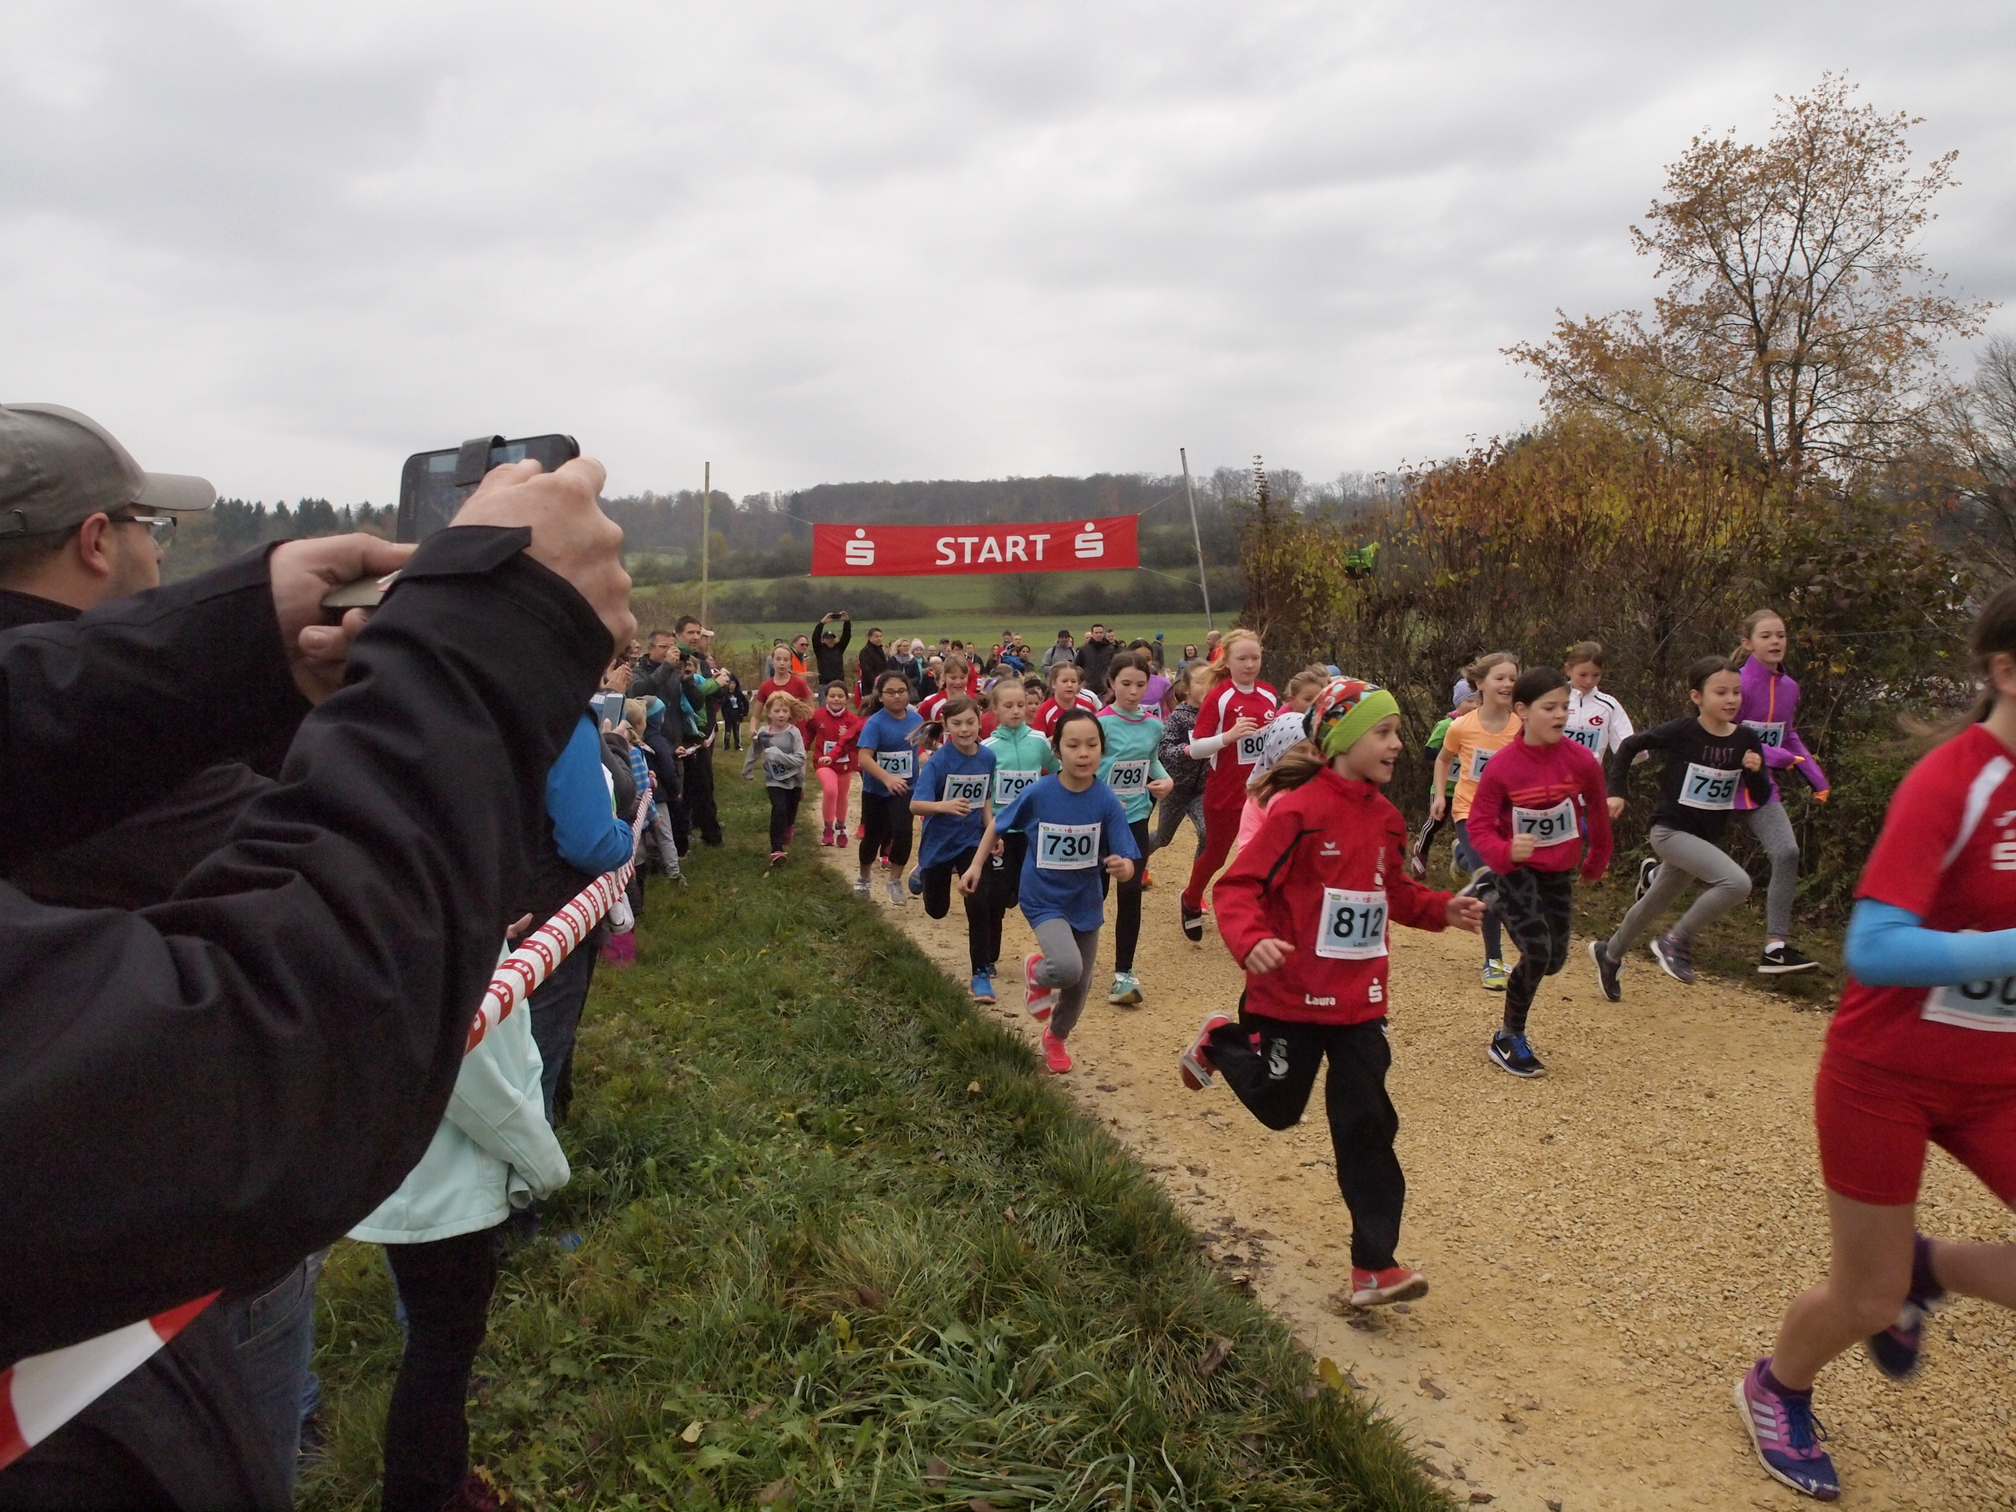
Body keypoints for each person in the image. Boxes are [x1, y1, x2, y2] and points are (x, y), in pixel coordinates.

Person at [0, 437, 629, 1498]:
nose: (163, 553)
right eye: (154, 529)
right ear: (98, 539)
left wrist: (241, 641)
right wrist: (482, 653)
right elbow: (266, 1044)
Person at [1733, 582, 2016, 1504]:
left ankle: (1935, 1267)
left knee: (1898, 1278)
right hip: (1884, 1077)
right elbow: (1875, 947)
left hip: (2000, 1079)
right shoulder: (1954, 782)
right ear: (2006, 671)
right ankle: (1777, 1387)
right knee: (1866, 1296)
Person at [1178, 677, 1484, 1309]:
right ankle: (1221, 1041)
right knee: (1279, 1109)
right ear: (1342, 739)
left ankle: (1374, 1265)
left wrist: (1440, 909)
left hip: (1359, 1004)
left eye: (1396, 732)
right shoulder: (1297, 811)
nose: (1397, 744)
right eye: (1384, 732)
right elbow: (1237, 887)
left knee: (1368, 1124)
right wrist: (1250, 940)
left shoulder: (1387, 818)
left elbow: (1392, 892)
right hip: (1287, 997)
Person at [350, 954, 569, 1512]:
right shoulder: (431, 934)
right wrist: (542, 1162)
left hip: (433, 1176)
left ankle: (446, 1479)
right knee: (441, 1346)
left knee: (447, 1338)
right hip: (437, 1187)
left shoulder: (425, 924)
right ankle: (427, 1496)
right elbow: (465, 1074)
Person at [961, 709, 1138, 1075]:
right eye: (1073, 745)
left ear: (1102, 749)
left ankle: (1056, 1037)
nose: (1083, 753)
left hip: (1085, 899)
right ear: (1056, 750)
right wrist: (976, 865)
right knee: (1068, 968)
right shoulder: (1040, 793)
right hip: (1042, 896)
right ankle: (1037, 971)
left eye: (1092, 745)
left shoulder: (1106, 800)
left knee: (1079, 984)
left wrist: (1125, 867)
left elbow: (1127, 857)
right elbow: (997, 824)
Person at [1591, 657, 1771, 998]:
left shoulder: (1746, 738)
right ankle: (1675, 940)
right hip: (1670, 831)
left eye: (1736, 692)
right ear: (1696, 696)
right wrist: (1616, 791)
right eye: (1721, 692)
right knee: (1737, 883)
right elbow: (1629, 746)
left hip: (1703, 838)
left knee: (1653, 903)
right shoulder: (1682, 732)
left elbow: (1759, 796)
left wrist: (1755, 771)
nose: (1731, 699)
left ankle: (1609, 953)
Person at [1464, 668, 1613, 1077]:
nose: (1560, 715)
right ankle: (1509, 1036)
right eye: (1549, 708)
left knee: (1554, 960)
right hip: (1515, 870)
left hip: (1558, 871)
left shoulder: (1581, 761)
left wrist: (1596, 861)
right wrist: (1505, 851)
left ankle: (1490, 895)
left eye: (1564, 707)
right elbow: (1479, 826)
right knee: (1537, 952)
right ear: (1523, 711)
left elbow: (1598, 815)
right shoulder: (1502, 766)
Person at [525, 713, 638, 1127]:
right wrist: (623, 831)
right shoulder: (564, 718)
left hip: (470, 909)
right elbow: (592, 844)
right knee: (537, 1057)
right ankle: (538, 1148)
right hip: (549, 917)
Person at [1733, 609, 1830, 974]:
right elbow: (1731, 734)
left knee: (1787, 852)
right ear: (1748, 643)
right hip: (1722, 782)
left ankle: (1775, 946)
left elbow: (1787, 736)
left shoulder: (1790, 688)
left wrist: (1816, 777)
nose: (1776, 642)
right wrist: (1780, 758)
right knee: (1687, 862)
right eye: (1766, 636)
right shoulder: (1737, 684)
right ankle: (1655, 879)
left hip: (1760, 787)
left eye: (1781, 635)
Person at [1430, 651, 1522, 989]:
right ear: (1480, 683)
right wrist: (1440, 796)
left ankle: (1462, 856)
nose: (1508, 684)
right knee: (1491, 883)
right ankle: (1493, 961)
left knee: (1499, 880)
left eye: (1513, 678)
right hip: (1469, 812)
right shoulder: (1462, 726)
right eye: (1500, 678)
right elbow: (1443, 759)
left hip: (1506, 817)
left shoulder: (1521, 726)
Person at [1179, 628, 1278, 942]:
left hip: (1261, 793)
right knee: (1216, 855)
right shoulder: (1219, 697)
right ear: (1228, 661)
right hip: (1225, 792)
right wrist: (1229, 737)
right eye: (1242, 659)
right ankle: (1191, 898)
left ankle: (1258, 914)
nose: (1249, 664)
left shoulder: (1268, 693)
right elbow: (1196, 748)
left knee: (1263, 855)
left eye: (1255, 658)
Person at [1096, 651, 1173, 1006]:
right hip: (1097, 821)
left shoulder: (1154, 725)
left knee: (1130, 894)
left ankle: (1123, 974)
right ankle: (1071, 962)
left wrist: (1166, 781)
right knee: (1094, 895)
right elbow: (1083, 767)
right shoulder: (1099, 723)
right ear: (1111, 682)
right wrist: (1104, 797)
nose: (1133, 691)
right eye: (1125, 684)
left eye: (1140, 685)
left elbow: (1151, 761)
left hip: (1136, 818)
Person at [911, 696, 1000, 1000]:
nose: (965, 729)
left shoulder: (987, 757)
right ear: (946, 725)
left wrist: (992, 831)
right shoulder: (939, 761)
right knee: (937, 911)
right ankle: (923, 870)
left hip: (973, 841)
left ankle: (980, 974)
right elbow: (915, 805)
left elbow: (984, 798)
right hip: (939, 842)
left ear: (980, 721)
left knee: (979, 903)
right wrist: (944, 806)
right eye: (957, 723)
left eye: (970, 722)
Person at [977, 679, 1059, 1001]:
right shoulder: (987, 749)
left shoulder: (1038, 741)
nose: (1015, 711)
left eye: (1021, 705)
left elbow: (1056, 770)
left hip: (1033, 832)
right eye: (1008, 706)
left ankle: (1055, 958)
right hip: (1001, 833)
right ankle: (989, 956)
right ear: (995, 710)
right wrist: (990, 827)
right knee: (996, 895)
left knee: (1037, 894)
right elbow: (984, 792)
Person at [1233, 664, 1333, 855]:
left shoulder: (1325, 793)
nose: (1309, 759)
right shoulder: (1260, 799)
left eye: (1315, 753)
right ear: (1278, 754)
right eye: (1300, 751)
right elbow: (1246, 852)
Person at [854, 671, 924, 904]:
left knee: (903, 832)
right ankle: (864, 878)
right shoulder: (875, 723)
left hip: (906, 787)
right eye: (891, 692)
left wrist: (925, 757)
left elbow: (921, 746)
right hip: (876, 790)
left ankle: (894, 880)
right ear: (881, 696)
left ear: (908, 693)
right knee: (873, 836)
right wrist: (887, 778)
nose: (897, 696)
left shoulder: (916, 719)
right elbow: (864, 758)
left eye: (901, 691)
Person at [1408, 692, 1477, 880]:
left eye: (1478, 702)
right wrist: (1452, 751)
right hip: (1443, 788)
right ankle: (1421, 851)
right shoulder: (1446, 725)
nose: (1474, 705)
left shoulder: (1478, 727)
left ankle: (1464, 858)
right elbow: (1429, 752)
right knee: (1435, 822)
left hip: (1466, 789)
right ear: (1458, 702)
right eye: (1470, 701)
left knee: (1469, 827)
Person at [1149, 659, 1211, 862]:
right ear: (1186, 688)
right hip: (1176, 789)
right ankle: (1137, 859)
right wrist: (1187, 750)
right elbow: (1164, 749)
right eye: (1200, 682)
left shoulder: (1216, 715)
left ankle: (1197, 880)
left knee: (1207, 833)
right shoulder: (1179, 716)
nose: (1207, 687)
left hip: (1202, 790)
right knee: (1162, 838)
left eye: (1211, 681)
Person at [744, 692, 811, 863]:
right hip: (774, 780)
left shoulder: (794, 733)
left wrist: (778, 755)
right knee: (779, 808)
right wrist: (747, 770)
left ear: (790, 713)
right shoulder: (763, 733)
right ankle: (776, 849)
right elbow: (754, 751)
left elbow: (801, 759)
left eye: (785, 711)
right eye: (777, 711)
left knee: (790, 809)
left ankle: (788, 826)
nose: (781, 715)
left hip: (795, 779)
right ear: (769, 713)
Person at [808, 681, 865, 847]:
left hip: (844, 764)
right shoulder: (817, 716)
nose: (836, 699)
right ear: (825, 698)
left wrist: (849, 737)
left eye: (840, 696)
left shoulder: (853, 720)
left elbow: (858, 744)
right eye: (832, 696)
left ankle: (840, 826)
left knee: (842, 796)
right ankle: (828, 828)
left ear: (846, 699)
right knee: (831, 790)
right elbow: (808, 732)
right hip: (822, 762)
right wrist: (803, 747)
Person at [1562, 641, 1635, 760]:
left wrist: (1637, 751)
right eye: (1583, 675)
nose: (1589, 681)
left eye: (1596, 675)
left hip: (1589, 771)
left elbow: (1626, 746)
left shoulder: (1609, 706)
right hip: (1553, 770)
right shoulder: (1552, 700)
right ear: (1569, 670)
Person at [1031, 659, 1102, 735]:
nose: (1070, 685)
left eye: (1073, 681)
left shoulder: (1088, 708)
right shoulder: (1044, 710)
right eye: (1064, 681)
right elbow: (1039, 740)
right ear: (1053, 683)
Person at [755, 643, 813, 718]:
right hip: (774, 725)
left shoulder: (799, 684)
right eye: (778, 659)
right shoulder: (765, 687)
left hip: (796, 725)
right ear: (772, 661)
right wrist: (753, 725)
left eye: (785, 660)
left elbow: (811, 711)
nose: (782, 663)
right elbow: (755, 717)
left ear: (790, 662)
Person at [811, 610, 851, 686]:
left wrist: (847, 622)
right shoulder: (820, 649)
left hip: (839, 684)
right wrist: (822, 623)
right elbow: (815, 638)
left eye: (832, 638)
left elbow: (846, 636)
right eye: (828, 638)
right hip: (825, 685)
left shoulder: (838, 649)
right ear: (823, 640)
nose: (831, 640)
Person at [1076, 620, 1116, 695]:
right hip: (1088, 687)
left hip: (1105, 687)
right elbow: (1077, 666)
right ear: (1092, 634)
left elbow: (1114, 666)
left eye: (1100, 633)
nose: (1099, 635)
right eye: (1096, 633)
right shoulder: (1084, 649)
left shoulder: (1110, 649)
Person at [716, 672, 749, 751]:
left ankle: (737, 745)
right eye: (731, 683)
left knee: (736, 731)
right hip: (728, 715)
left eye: (734, 683)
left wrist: (745, 712)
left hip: (737, 715)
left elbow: (745, 702)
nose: (732, 685)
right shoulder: (725, 694)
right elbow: (722, 705)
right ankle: (726, 745)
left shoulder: (739, 693)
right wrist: (724, 715)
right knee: (727, 731)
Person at [856, 625, 888, 701]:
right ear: (870, 637)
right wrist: (877, 682)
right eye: (876, 636)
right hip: (870, 687)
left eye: (880, 636)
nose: (879, 638)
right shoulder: (865, 652)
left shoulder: (881, 650)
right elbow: (866, 671)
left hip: (883, 684)